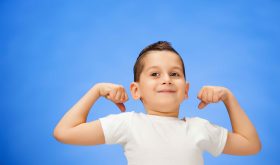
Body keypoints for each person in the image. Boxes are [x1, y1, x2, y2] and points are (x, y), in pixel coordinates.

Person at [53, 41, 261, 165]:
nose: (166, 79)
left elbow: (251, 145)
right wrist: (96, 91)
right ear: (136, 90)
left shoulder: (199, 128)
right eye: (154, 74)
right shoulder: (128, 124)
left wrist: (228, 97)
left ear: (186, 91)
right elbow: (64, 132)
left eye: (174, 74)